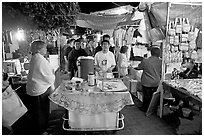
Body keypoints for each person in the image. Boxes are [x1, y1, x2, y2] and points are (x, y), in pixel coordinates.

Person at [26, 40, 55, 134]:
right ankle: (41, 131)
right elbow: (48, 76)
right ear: (39, 49)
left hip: (34, 88)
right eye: (44, 48)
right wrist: (52, 76)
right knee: (41, 113)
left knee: (37, 113)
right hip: (39, 90)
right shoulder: (40, 59)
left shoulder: (35, 58)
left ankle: (40, 129)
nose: (46, 50)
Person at [135, 46, 162, 112]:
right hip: (156, 82)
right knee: (154, 97)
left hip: (147, 82)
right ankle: (153, 108)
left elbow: (139, 67)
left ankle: (145, 108)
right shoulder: (161, 62)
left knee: (146, 96)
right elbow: (163, 71)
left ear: (151, 52)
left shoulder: (146, 61)